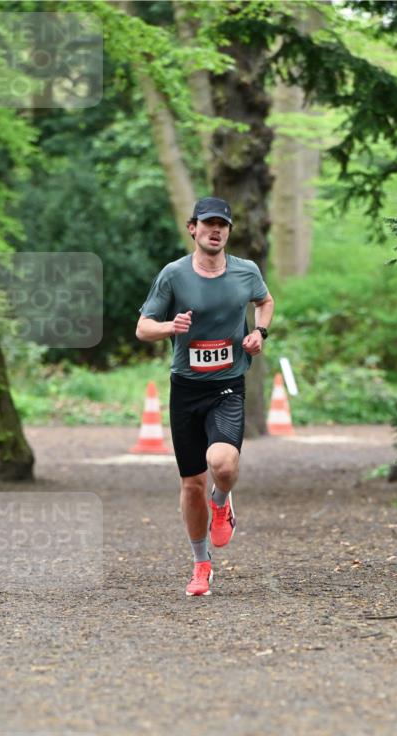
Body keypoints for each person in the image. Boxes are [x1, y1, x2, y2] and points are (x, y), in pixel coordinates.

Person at [136, 197, 275, 596]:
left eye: (223, 225)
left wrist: (259, 333)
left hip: (228, 385)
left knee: (223, 464)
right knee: (191, 484)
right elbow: (144, 327)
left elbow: (264, 302)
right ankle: (200, 564)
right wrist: (170, 328)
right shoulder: (173, 275)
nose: (216, 230)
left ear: (228, 231)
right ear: (192, 228)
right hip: (186, 388)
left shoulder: (246, 272)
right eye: (208, 223)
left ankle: (223, 501)